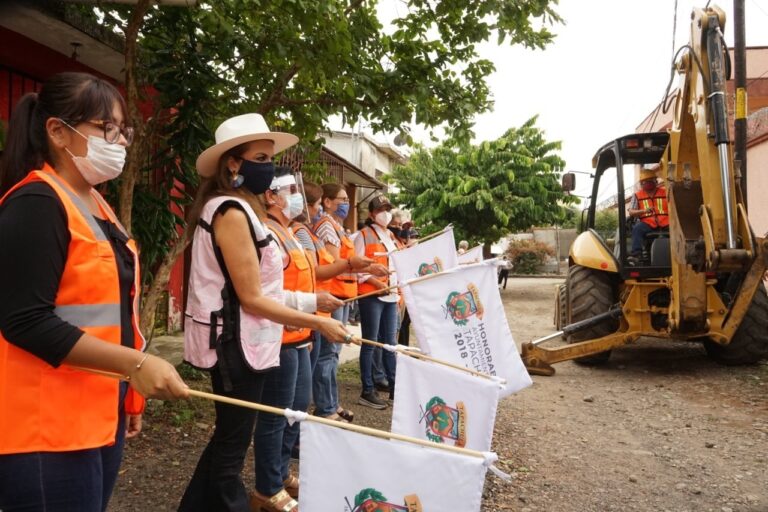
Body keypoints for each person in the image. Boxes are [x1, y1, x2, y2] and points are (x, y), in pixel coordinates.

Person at [0, 72, 189, 512]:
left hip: (98, 415)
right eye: (106, 129)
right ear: (57, 131)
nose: (119, 141)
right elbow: (25, 321)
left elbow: (117, 314)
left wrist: (129, 394)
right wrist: (137, 365)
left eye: (123, 130)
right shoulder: (37, 204)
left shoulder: (97, 204)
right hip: (46, 427)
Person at [179, 113, 350, 512]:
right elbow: (252, 299)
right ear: (233, 164)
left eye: (271, 158)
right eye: (260, 157)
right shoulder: (231, 213)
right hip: (235, 346)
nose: (269, 168)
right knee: (232, 445)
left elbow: (262, 292)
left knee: (229, 437)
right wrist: (317, 322)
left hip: (247, 341)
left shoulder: (240, 210)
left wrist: (311, 305)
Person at [292, 180, 387, 421]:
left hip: (340, 296)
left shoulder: (336, 228)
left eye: (347, 200)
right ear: (325, 202)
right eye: (342, 200)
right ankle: (325, 408)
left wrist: (367, 267)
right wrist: (353, 265)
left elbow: (343, 261)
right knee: (327, 355)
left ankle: (331, 405)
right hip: (330, 296)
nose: (347, 204)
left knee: (331, 355)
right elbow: (330, 265)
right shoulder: (322, 228)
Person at [355, 194, 401, 409]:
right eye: (381, 209)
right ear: (372, 213)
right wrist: (376, 282)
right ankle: (367, 389)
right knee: (370, 343)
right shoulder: (363, 235)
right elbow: (356, 269)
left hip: (391, 296)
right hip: (371, 296)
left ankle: (395, 388)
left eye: (388, 208)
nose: (386, 213)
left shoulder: (391, 236)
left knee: (390, 344)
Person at [627, 164, 669, 259]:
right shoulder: (637, 195)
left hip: (666, 222)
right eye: (646, 181)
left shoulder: (665, 192)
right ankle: (637, 254)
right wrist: (644, 211)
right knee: (637, 228)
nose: (648, 183)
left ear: (656, 181)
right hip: (647, 224)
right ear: (641, 183)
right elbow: (631, 212)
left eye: (651, 180)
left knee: (677, 229)